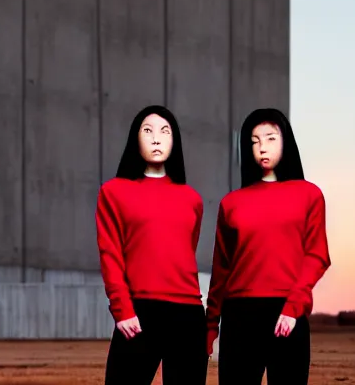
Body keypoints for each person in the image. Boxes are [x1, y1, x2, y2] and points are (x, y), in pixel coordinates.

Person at [205, 107, 331, 384]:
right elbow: (221, 269)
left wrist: (292, 307)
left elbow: (317, 255)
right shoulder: (232, 203)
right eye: (254, 140)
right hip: (238, 317)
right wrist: (210, 326)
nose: (262, 147)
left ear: (286, 141)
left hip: (288, 313)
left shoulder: (309, 195)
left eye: (270, 138)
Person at [95, 105, 209, 385]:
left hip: (189, 315)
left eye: (165, 131)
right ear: (136, 139)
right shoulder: (114, 192)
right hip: (139, 312)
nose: (156, 138)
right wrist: (122, 309)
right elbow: (110, 254)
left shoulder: (191, 198)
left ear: (175, 140)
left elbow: (184, 251)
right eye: (148, 131)